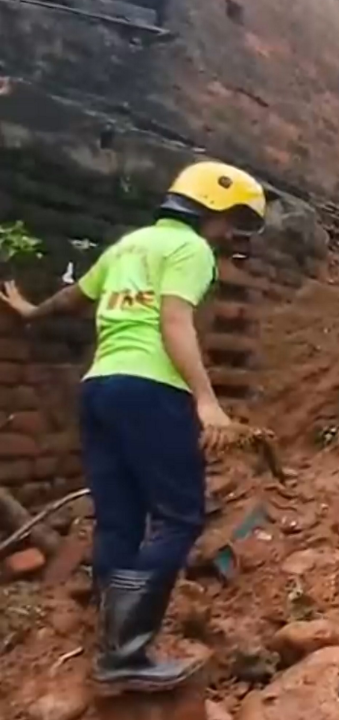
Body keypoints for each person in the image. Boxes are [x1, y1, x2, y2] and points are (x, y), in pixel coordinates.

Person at [0, 161, 266, 693]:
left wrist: (29, 312)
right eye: (232, 220)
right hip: (152, 390)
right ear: (211, 210)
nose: (230, 234)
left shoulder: (128, 247)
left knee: (119, 518)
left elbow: (75, 298)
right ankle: (127, 652)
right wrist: (207, 401)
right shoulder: (190, 252)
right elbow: (174, 321)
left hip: (100, 389)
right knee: (179, 518)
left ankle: (110, 640)